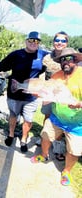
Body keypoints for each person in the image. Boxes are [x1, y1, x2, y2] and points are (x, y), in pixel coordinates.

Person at [0, 31, 49, 153]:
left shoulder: (43, 55)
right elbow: (0, 66)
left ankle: (24, 139)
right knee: (13, 115)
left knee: (28, 120)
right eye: (31, 40)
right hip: (14, 92)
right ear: (26, 41)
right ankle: (11, 134)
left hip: (32, 95)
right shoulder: (16, 55)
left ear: (39, 43)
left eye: (36, 41)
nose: (33, 43)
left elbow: (57, 60)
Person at [31, 48, 82, 186]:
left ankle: (66, 171)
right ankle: (44, 155)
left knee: (74, 150)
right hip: (56, 118)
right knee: (45, 136)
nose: (66, 62)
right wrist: (38, 93)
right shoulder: (56, 76)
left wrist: (79, 104)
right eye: (63, 60)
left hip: (77, 124)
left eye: (69, 59)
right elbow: (47, 93)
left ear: (76, 60)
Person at [40, 31, 69, 161]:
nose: (59, 43)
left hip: (62, 96)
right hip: (48, 93)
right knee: (47, 117)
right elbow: (40, 72)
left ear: (66, 43)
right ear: (53, 42)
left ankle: (58, 148)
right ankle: (45, 140)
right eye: (57, 40)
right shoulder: (46, 57)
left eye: (63, 41)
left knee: (60, 122)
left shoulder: (70, 56)